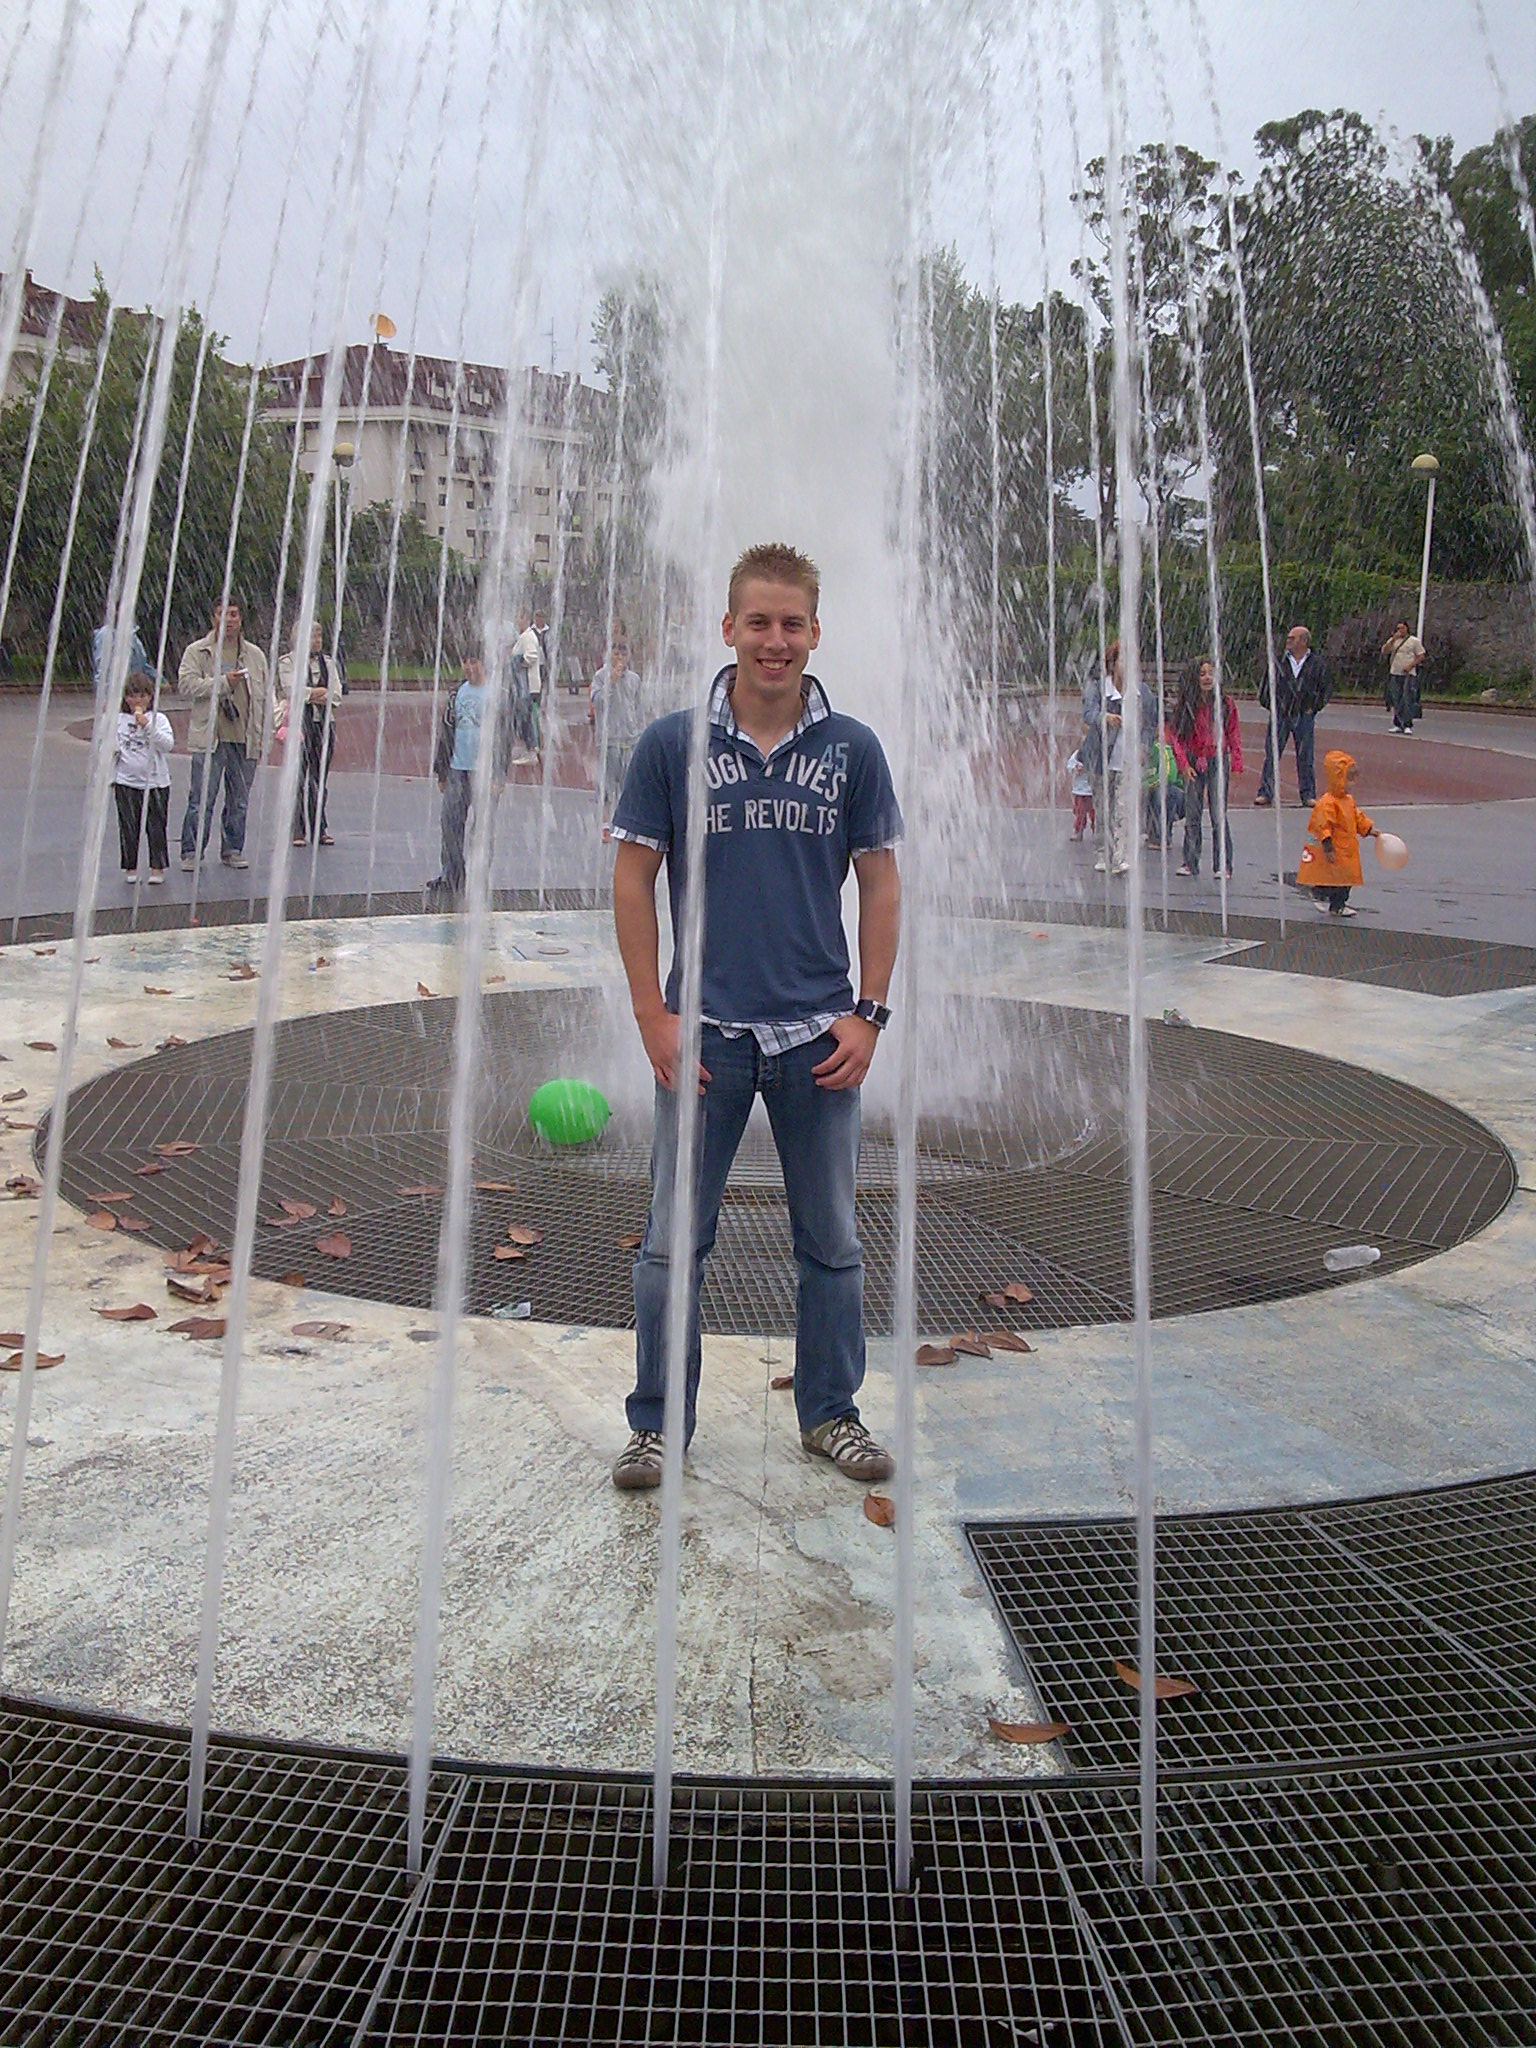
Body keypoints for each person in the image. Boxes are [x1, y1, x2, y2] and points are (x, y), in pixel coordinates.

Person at [608, 541, 902, 1492]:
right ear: (728, 627)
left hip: (817, 1037)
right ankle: (659, 1425)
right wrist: (652, 1014)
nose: (775, 641)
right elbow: (632, 878)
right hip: (707, 1039)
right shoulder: (672, 747)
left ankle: (832, 1412)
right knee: (671, 1246)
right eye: (759, 622)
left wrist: (869, 1014)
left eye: (792, 624)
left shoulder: (852, 749)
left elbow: (881, 882)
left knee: (832, 1242)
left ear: (815, 633)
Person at [178, 598, 271, 871]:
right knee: (201, 799)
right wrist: (222, 683)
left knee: (239, 800)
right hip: (211, 737)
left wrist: (265, 735)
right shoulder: (198, 651)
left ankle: (232, 848)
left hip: (245, 738)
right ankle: (192, 851)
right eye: (222, 614)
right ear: (213, 618)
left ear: (240, 619)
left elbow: (266, 697)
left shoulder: (255, 655)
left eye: (233, 614)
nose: (228, 620)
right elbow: (186, 684)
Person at [425, 642, 513, 905]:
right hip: (457, 769)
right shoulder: (456, 694)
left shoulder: (497, 696)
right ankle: (452, 876)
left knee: (482, 828)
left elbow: (505, 738)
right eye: (465, 661)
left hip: (484, 772)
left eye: (473, 661)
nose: (468, 667)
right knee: (450, 825)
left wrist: (499, 773)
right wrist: (442, 770)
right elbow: (446, 733)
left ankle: (479, 877)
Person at [1172, 659, 1242, 878]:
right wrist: (1183, 764)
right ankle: (1190, 861)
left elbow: (1233, 733)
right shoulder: (1186, 705)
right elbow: (1176, 737)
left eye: (1211, 673)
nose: (1207, 678)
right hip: (1193, 760)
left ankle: (1223, 864)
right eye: (1202, 674)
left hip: (1217, 760)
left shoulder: (1225, 704)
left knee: (1218, 814)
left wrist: (1237, 762)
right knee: (1192, 813)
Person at [277, 620, 344, 847]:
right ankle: (296, 828)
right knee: (297, 777)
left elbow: (336, 695)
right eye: (312, 636)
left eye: (319, 636)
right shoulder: (288, 662)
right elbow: (291, 691)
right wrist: (318, 693)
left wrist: (311, 695)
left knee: (319, 778)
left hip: (324, 725)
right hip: (299, 726)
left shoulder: (328, 663)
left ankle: (319, 826)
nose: (317, 641)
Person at [1255, 624, 1330, 809]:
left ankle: (1308, 794)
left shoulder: (1317, 663)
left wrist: (1313, 707)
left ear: (1304, 641)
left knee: (1306, 756)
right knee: (1272, 754)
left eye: (1292, 638)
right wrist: (1274, 707)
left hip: (1304, 716)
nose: (1288, 641)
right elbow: (1265, 687)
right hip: (1281, 716)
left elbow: (1326, 689)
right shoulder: (1278, 662)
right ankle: (1265, 792)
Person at [1297, 749, 1376, 917]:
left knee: (1346, 880)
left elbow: (1357, 818)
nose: (1352, 784)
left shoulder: (1348, 801)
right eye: (1349, 780)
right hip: (1336, 848)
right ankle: (1320, 894)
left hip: (1347, 849)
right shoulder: (1328, 803)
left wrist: (1368, 829)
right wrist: (1328, 847)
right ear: (1339, 778)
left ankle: (1337, 905)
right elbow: (1322, 826)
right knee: (1333, 879)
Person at [112, 674, 173, 883]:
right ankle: (131, 867)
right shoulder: (119, 720)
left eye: (141, 696)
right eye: (131, 696)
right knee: (128, 826)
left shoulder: (159, 719)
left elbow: (167, 745)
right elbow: (108, 745)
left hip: (155, 783)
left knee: (156, 826)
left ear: (150, 697)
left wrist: (147, 726)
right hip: (126, 782)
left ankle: (157, 867)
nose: (137, 701)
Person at [591, 633, 645, 836]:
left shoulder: (634, 679)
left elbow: (638, 708)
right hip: (609, 740)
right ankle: (605, 823)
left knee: (627, 784)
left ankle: (623, 822)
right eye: (616, 653)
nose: (620, 657)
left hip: (629, 739)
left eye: (624, 653)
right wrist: (611, 683)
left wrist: (640, 733)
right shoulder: (600, 677)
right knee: (606, 783)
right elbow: (597, 703)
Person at [1383, 620, 1426, 735]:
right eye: (1398, 628)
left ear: (1407, 628)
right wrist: (1393, 639)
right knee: (1396, 699)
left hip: (1408, 674)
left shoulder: (1413, 641)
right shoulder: (1394, 641)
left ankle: (1407, 724)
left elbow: (1421, 655)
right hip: (1395, 673)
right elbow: (1384, 650)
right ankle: (1397, 723)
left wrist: (1411, 665)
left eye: (1402, 628)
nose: (1400, 631)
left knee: (1407, 699)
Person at [512, 604, 543, 757]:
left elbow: (531, 656)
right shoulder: (524, 636)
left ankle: (532, 747)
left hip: (527, 685)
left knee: (526, 717)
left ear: (525, 618)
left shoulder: (528, 637)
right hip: (524, 686)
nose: (516, 621)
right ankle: (531, 747)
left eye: (518, 617)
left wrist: (517, 662)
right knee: (524, 717)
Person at [1067, 746, 1095, 842]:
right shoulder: (1077, 754)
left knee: (1094, 813)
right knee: (1080, 812)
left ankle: (1096, 831)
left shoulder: (1096, 754)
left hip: (1092, 790)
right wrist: (1075, 769)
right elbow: (1070, 766)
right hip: (1079, 790)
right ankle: (1078, 830)